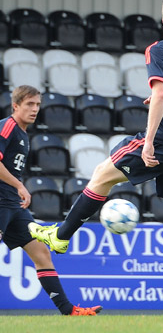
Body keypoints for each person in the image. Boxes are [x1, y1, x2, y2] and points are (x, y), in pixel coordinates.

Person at [29, 0, 163, 316]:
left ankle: (61, 237)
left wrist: (149, 141)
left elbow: (161, 91)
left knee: (101, 174)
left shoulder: (160, 49)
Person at [0, 86, 102, 316]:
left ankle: (68, 311)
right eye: (29, 104)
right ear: (15, 106)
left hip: (13, 205)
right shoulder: (7, 126)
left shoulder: (23, 134)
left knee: (42, 253)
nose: (35, 109)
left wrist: (16, 188)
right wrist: (19, 185)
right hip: (2, 200)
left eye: (37, 104)